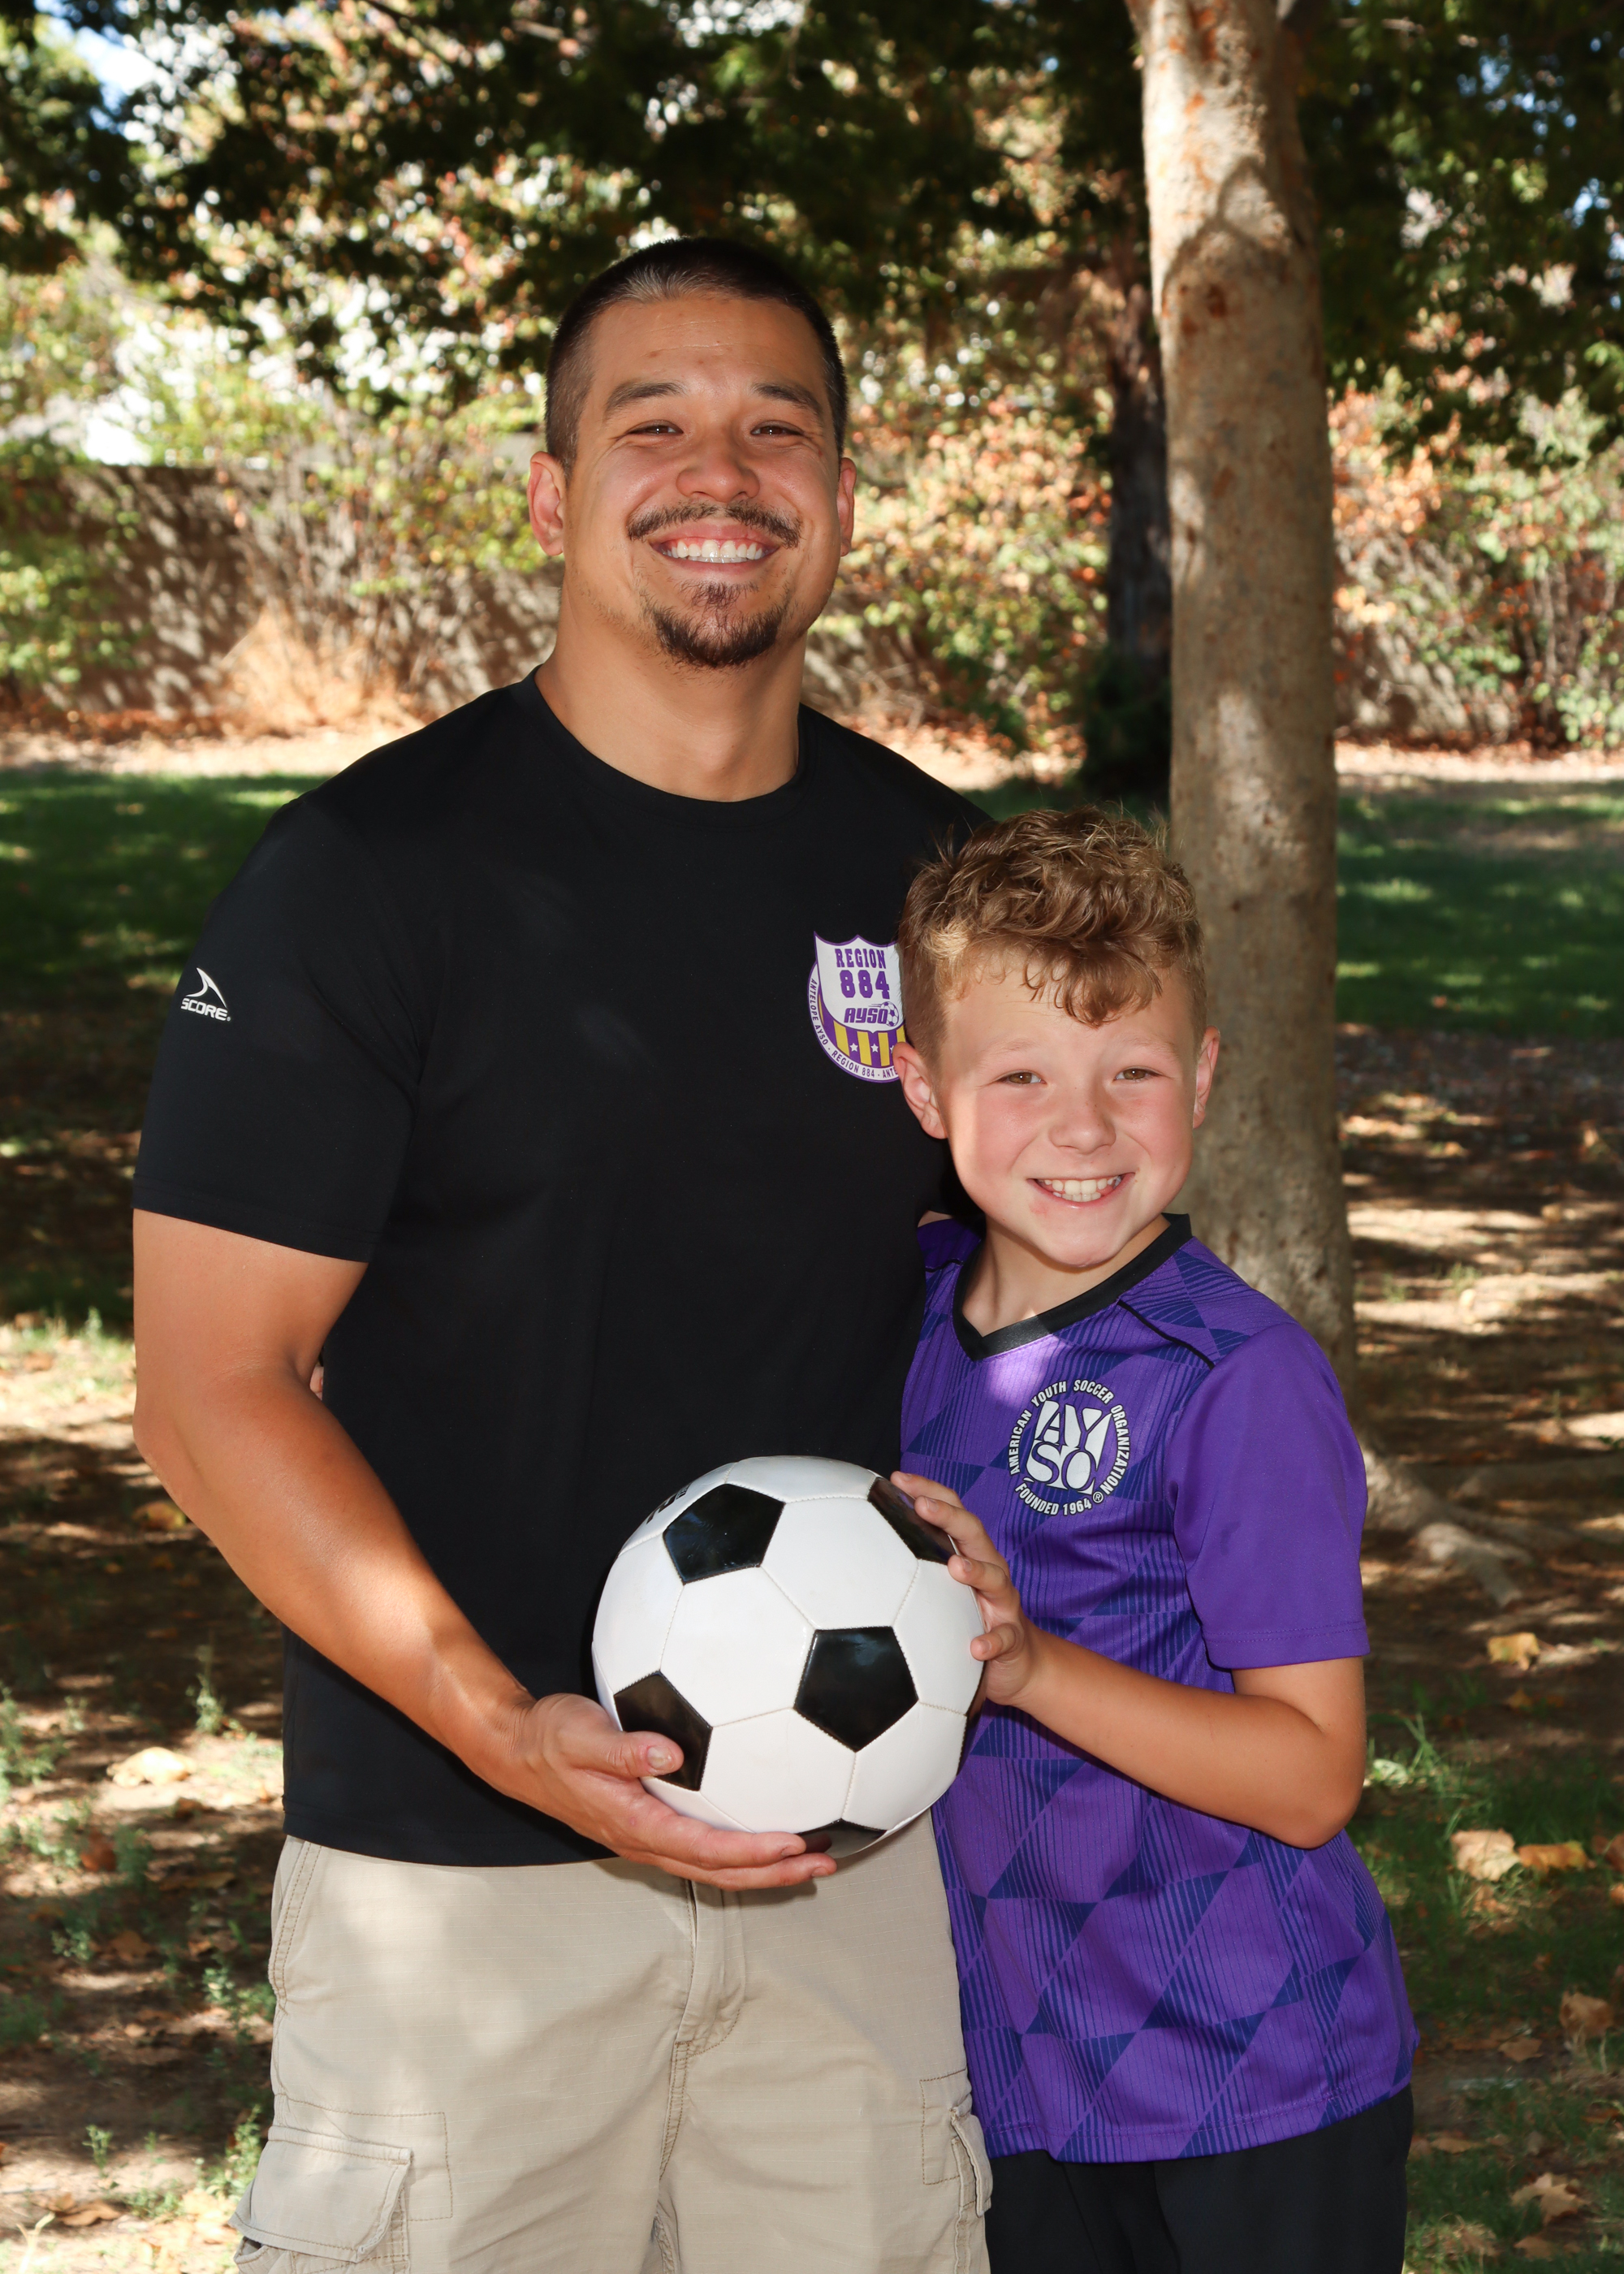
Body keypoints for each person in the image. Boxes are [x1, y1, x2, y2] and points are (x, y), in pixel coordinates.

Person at [131, 238, 993, 2274]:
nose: (722, 474)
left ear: (842, 494)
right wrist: (497, 1719)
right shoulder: (365, 880)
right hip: (462, 1882)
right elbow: (208, 1385)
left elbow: (1036, 1282)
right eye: (653, 424)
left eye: (777, 427)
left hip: (848, 1858)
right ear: (550, 493)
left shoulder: (941, 884)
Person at [887, 809, 1416, 2274]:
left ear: (1205, 1076)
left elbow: (1311, 1776)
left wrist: (1033, 1668)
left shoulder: (1235, 1379)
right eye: (1021, 1076)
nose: (1084, 1126)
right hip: (1023, 2080)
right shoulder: (909, 1320)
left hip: (1250, 2079)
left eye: (1133, 1070)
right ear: (922, 1086)